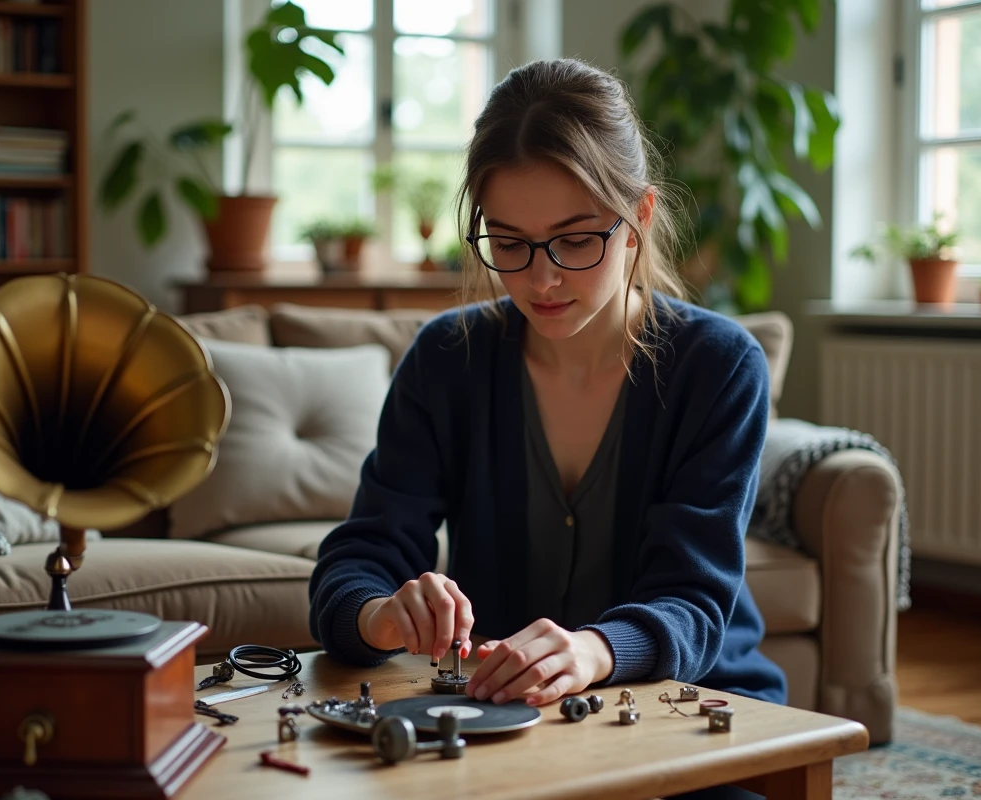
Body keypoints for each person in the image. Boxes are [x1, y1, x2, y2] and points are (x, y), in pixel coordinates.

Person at [308, 57, 786, 798]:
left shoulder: (718, 367)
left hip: (691, 715)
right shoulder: (446, 359)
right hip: (504, 723)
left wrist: (594, 650)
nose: (542, 279)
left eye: (576, 239)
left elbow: (693, 601)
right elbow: (360, 557)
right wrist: (382, 616)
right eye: (510, 242)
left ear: (640, 218)